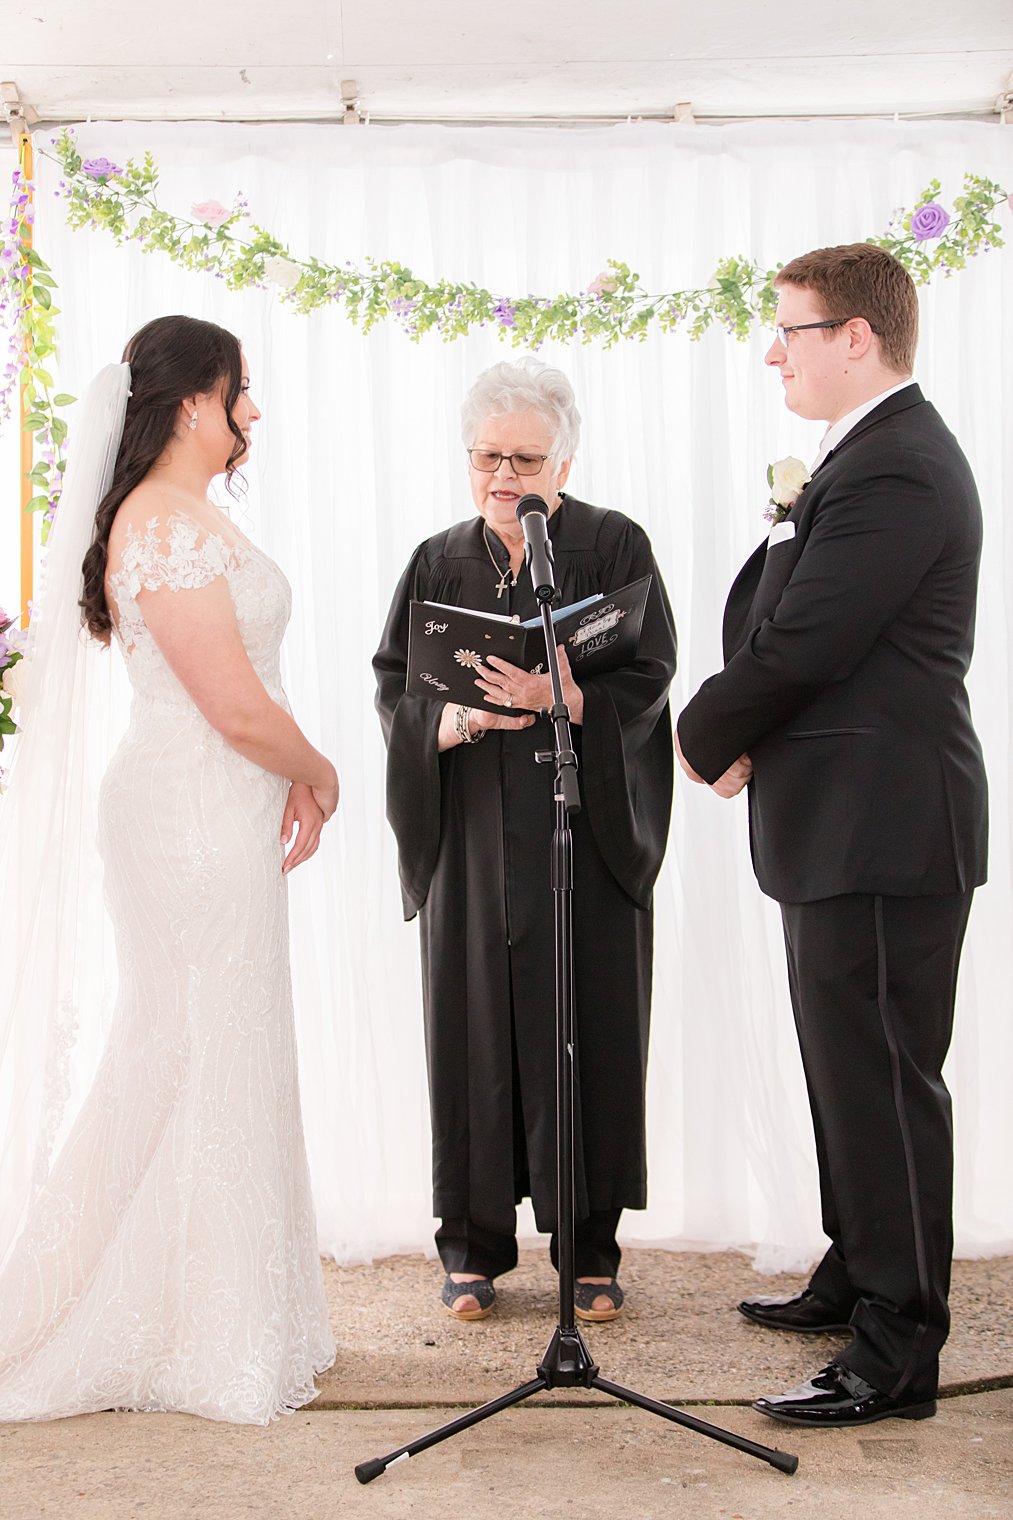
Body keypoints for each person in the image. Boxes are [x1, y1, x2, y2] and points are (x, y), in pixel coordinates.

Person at [0, 316, 339, 1423]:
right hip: (190, 813)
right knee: (194, 1042)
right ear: (197, 399)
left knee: (210, 1045)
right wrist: (319, 769)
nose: (255, 411)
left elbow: (247, 693)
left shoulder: (186, 516)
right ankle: (191, 1330)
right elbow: (233, 705)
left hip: (218, 802)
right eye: (243, 390)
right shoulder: (158, 525)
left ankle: (222, 1308)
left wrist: (282, 772)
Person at [677, 244, 987, 1428]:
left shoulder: (898, 466)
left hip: (883, 823)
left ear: (854, 336)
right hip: (847, 819)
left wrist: (698, 734)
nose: (772, 350)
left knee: (882, 1082)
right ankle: (855, 1267)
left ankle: (895, 1347)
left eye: (788, 330)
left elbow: (807, 636)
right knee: (842, 1068)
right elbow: (795, 617)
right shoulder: (867, 457)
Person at [374, 357, 677, 1323]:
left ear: (566, 460)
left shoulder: (612, 545)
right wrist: (458, 723)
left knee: (585, 1027)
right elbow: (395, 685)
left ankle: (588, 1248)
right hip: (468, 832)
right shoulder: (437, 559)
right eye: (488, 456)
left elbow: (653, 673)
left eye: (526, 459)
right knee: (470, 1028)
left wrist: (569, 698)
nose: (505, 477)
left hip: (576, 831)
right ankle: (469, 1247)